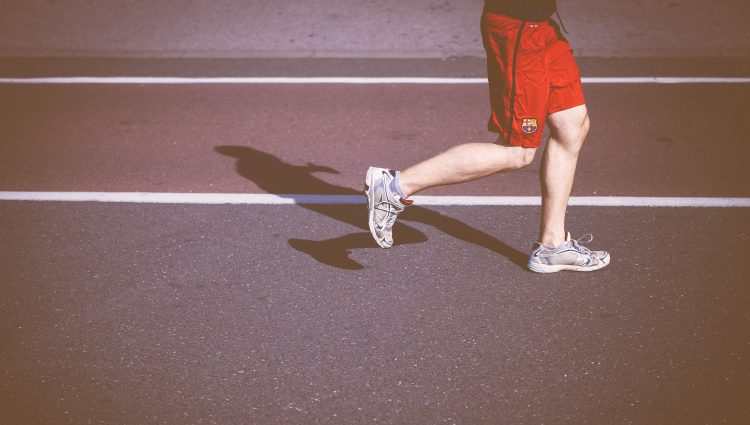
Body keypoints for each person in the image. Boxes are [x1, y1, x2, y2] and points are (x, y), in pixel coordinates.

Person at [365, 0, 610, 273]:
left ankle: (552, 245)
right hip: (518, 26)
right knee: (518, 150)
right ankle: (395, 187)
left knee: (572, 124)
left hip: (541, 26)